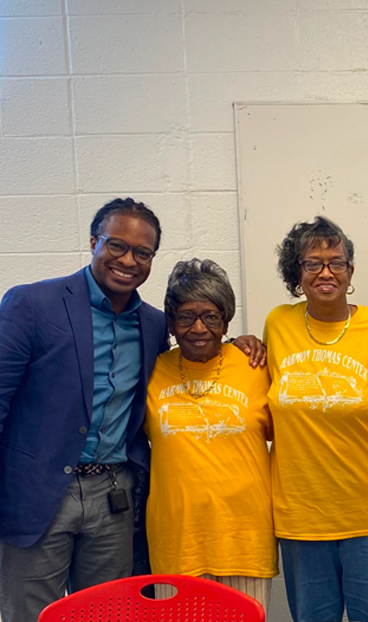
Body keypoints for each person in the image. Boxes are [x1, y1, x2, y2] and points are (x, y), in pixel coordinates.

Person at [0, 198, 265, 622]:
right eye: (117, 245)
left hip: (114, 498)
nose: (128, 260)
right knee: (33, 615)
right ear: (93, 242)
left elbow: (195, 355)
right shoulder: (33, 304)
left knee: (109, 612)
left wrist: (239, 344)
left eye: (142, 253)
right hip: (38, 495)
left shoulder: (155, 324)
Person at [264, 216, 368, 622]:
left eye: (337, 262)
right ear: (297, 273)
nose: (326, 272)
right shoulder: (277, 324)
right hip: (301, 515)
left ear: (350, 272)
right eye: (313, 263)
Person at [144, 259, 276, 610]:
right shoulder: (152, 371)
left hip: (244, 539)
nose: (198, 327)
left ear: (226, 321)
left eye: (211, 316)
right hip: (176, 542)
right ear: (171, 323)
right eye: (186, 317)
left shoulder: (258, 367)